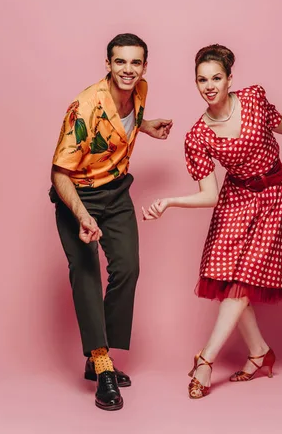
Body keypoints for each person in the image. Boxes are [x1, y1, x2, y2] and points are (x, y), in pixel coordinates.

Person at [142, 44, 282, 399]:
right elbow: (209, 194)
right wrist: (169, 202)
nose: (209, 85)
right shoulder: (198, 135)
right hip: (235, 200)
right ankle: (259, 353)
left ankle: (205, 360)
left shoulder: (255, 98)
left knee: (242, 279)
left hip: (274, 196)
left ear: (230, 79)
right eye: (201, 79)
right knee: (230, 279)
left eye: (216, 78)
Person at [50, 33, 172, 411]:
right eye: (120, 62)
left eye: (135, 63)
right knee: (86, 272)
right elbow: (59, 173)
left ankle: (98, 353)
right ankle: (101, 365)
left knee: (128, 268)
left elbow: (122, 126)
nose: (128, 70)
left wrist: (145, 126)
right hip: (78, 197)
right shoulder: (84, 107)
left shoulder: (139, 90)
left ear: (144, 67)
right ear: (108, 64)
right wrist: (82, 215)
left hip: (116, 191)